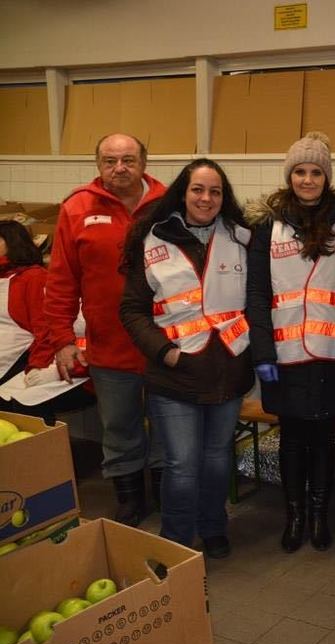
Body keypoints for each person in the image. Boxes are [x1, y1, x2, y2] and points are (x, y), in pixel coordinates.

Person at [119, 159, 253, 559]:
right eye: (198, 189)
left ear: (224, 198)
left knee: (216, 461)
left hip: (228, 370)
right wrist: (166, 353)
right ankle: (176, 543)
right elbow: (132, 310)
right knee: (182, 465)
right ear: (182, 192)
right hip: (174, 375)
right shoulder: (152, 239)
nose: (206, 198)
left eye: (215, 191)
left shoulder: (242, 238)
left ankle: (213, 527)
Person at [246, 132, 335, 553]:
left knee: (323, 436)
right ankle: (294, 516)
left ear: (327, 177)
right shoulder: (266, 227)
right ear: (289, 176)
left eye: (316, 172)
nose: (307, 180)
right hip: (284, 355)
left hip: (332, 354)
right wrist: (262, 352)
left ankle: (319, 515)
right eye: (300, 171)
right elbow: (256, 294)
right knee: (291, 438)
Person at [45, 133, 166, 526]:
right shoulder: (77, 208)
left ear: (144, 162)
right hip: (110, 346)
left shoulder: (169, 204)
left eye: (128, 160)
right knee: (119, 429)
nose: (119, 168)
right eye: (110, 161)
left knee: (168, 428)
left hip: (166, 344)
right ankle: (130, 502)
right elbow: (61, 280)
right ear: (98, 165)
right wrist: (62, 339)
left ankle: (168, 498)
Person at [0, 221, 91, 422]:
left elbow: (44, 330)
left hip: (84, 369)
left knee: (23, 403)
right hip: (60, 361)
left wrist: (43, 367)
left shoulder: (33, 278)